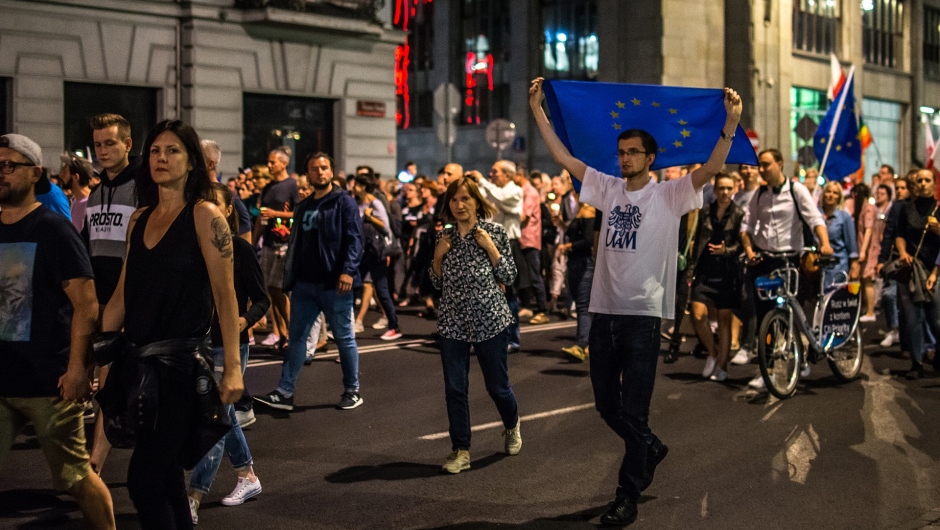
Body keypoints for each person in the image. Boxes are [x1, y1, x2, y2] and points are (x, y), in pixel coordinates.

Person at [530, 77, 743, 526]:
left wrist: (731, 125)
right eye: (621, 151)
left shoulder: (668, 194)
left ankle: (627, 495)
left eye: (632, 152)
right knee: (607, 405)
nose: (624, 157)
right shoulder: (606, 188)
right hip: (605, 312)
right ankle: (649, 445)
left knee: (633, 409)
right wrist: (538, 111)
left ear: (651, 158)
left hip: (643, 316)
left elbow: (710, 169)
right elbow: (564, 158)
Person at [100, 120, 244, 529]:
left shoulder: (205, 214)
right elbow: (121, 297)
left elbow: (226, 295)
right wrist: (93, 358)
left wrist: (231, 367)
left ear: (192, 161)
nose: (161, 158)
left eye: (173, 151)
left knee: (141, 479)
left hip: (182, 370)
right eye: (155, 151)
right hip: (138, 367)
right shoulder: (138, 219)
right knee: (163, 478)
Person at [0, 133, 116, 530]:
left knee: (75, 478)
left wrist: (79, 368)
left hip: (48, 380)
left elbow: (86, 303)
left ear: (35, 173)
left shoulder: (52, 228)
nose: (1, 172)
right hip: (2, 376)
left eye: (9, 165)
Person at [254, 152, 365, 412]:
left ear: (332, 171)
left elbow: (354, 239)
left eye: (324, 168)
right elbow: (296, 245)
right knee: (296, 339)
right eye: (314, 169)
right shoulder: (304, 206)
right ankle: (284, 392)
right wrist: (290, 278)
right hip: (304, 284)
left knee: (344, 337)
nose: (320, 172)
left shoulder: (342, 202)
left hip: (334, 284)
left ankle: (352, 390)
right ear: (308, 174)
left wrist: (348, 271)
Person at [187, 184, 269, 524]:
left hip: (232, 343)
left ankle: (193, 495)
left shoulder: (239, 248)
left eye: (215, 205)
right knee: (225, 414)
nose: (208, 212)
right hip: (198, 342)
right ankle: (247, 476)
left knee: (216, 414)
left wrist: (243, 319)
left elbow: (262, 299)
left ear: (229, 211)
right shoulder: (192, 247)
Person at [429, 177, 521, 474]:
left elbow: (509, 276)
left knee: (498, 387)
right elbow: (435, 282)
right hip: (453, 322)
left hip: (490, 320)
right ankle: (461, 449)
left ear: (476, 202)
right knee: (455, 388)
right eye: (454, 200)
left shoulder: (493, 232)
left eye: (465, 199)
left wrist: (491, 249)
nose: (459, 205)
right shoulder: (444, 236)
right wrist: (438, 257)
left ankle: (511, 424)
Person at [740, 148, 833, 390]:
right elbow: (746, 225)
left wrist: (824, 243)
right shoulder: (758, 194)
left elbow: (815, 219)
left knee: (792, 309)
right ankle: (767, 367)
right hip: (764, 261)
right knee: (765, 316)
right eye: (759, 165)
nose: (761, 169)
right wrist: (750, 251)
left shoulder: (796, 190)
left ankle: (800, 353)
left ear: (780, 164)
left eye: (766, 164)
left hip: (789, 261)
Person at [86, 113, 139, 473]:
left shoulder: (143, 186)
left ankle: (94, 466)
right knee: (102, 384)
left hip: (130, 299)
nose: (103, 151)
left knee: (114, 385)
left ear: (128, 145)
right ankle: (93, 465)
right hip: (98, 298)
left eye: (110, 143)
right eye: (98, 144)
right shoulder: (93, 192)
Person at [687, 173, 744, 382]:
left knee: (724, 321)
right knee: (697, 313)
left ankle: (722, 365)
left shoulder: (739, 214)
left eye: (729, 188)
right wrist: (691, 271)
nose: (725, 193)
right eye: (721, 188)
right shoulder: (705, 212)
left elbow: (742, 245)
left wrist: (726, 250)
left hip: (727, 274)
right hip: (705, 271)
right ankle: (712, 352)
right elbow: (696, 243)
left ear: (735, 189)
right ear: (715, 189)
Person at [469, 161, 524, 352]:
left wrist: (483, 181)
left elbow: (500, 198)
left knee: (508, 295)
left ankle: (511, 338)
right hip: (489, 244)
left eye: (495, 171)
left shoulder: (515, 191)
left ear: (508, 175)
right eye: (490, 171)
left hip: (509, 244)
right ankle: (486, 337)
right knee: (484, 293)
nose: (491, 174)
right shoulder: (491, 189)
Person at [893, 169, 940, 379]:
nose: (922, 183)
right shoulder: (907, 209)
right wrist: (902, 253)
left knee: (936, 319)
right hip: (912, 270)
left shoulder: (939, 210)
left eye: (927, 180)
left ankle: (937, 354)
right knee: (912, 318)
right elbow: (899, 234)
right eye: (919, 180)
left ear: (934, 184)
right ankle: (917, 361)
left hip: (935, 270)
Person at [253, 147, 298, 350]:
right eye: (269, 162)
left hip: (285, 243)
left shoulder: (292, 185)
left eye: (273, 162)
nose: (269, 166)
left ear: (284, 163)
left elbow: (300, 212)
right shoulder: (269, 187)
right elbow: (261, 218)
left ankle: (292, 335)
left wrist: (276, 213)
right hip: (269, 243)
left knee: (280, 289)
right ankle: (281, 333)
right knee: (270, 290)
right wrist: (252, 243)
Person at [352, 173, 402, 340]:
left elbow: (386, 228)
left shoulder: (376, 203)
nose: (353, 186)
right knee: (353, 287)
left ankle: (394, 325)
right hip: (360, 252)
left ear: (363, 186)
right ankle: (350, 324)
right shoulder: (356, 202)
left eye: (356, 184)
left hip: (375, 252)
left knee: (381, 290)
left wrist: (370, 217)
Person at [559, 196, 596, 362]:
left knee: (583, 305)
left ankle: (581, 345)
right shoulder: (580, 211)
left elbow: (588, 241)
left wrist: (568, 246)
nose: (573, 192)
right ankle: (585, 344)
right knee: (582, 304)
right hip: (575, 262)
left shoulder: (588, 212)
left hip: (583, 263)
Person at [867, 184, 897, 345]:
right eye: (877, 192)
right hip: (881, 252)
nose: (879, 195)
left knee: (891, 295)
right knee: (887, 294)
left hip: (898, 255)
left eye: (882, 193)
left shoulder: (894, 208)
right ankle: (894, 329)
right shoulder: (874, 210)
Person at [819, 181, 859, 292]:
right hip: (817, 266)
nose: (831, 195)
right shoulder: (816, 214)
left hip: (838, 265)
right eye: (828, 191)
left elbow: (851, 243)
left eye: (835, 193)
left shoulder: (844, 217)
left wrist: (854, 265)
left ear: (839, 197)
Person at [850, 183, 876, 321]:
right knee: (862, 279)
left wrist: (863, 250)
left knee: (867, 279)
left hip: (868, 249)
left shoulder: (868, 209)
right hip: (863, 247)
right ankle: (866, 308)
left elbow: (869, 230)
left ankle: (871, 311)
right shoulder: (862, 208)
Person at [60, 154, 96, 233]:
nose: (61, 175)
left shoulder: (93, 203)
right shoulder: (73, 201)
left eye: (65, 172)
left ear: (76, 177)